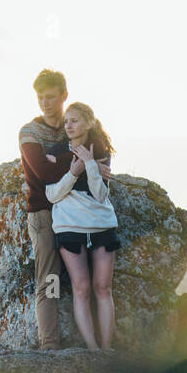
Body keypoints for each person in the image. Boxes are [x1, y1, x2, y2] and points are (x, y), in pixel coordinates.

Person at [18, 71, 111, 350]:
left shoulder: (74, 121)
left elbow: (100, 150)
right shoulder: (29, 133)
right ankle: (50, 346)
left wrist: (88, 160)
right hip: (44, 214)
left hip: (78, 215)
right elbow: (44, 172)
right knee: (50, 279)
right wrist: (82, 158)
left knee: (92, 284)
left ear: (63, 96)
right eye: (40, 98)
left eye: (50, 97)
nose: (45, 103)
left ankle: (101, 345)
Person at [44, 102, 119, 351]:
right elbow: (53, 195)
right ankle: (93, 350)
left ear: (88, 123)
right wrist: (74, 172)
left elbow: (100, 195)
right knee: (81, 288)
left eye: (74, 120)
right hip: (69, 228)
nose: (68, 125)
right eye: (66, 121)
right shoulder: (54, 152)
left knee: (103, 288)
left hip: (102, 227)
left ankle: (107, 349)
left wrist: (90, 164)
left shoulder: (100, 150)